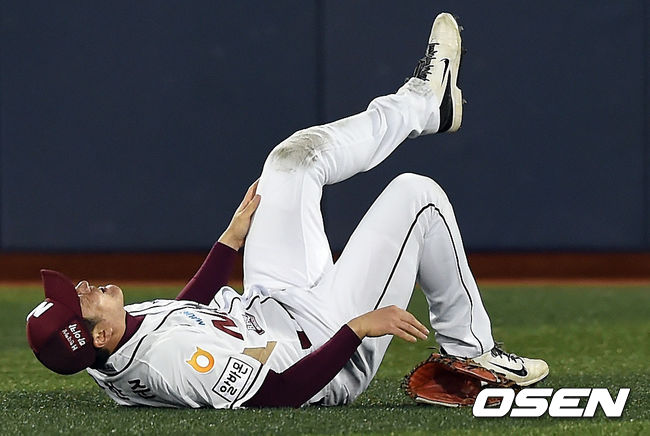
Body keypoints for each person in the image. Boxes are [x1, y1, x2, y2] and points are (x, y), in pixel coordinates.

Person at [26, 12, 548, 409]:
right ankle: (472, 355)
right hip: (323, 345)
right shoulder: (170, 365)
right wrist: (356, 329)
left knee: (289, 163)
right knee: (418, 196)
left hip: (270, 307)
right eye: (77, 301)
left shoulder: (107, 347)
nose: (81, 287)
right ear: (96, 335)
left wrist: (227, 244)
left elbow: (182, 315)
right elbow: (277, 393)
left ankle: (425, 103)